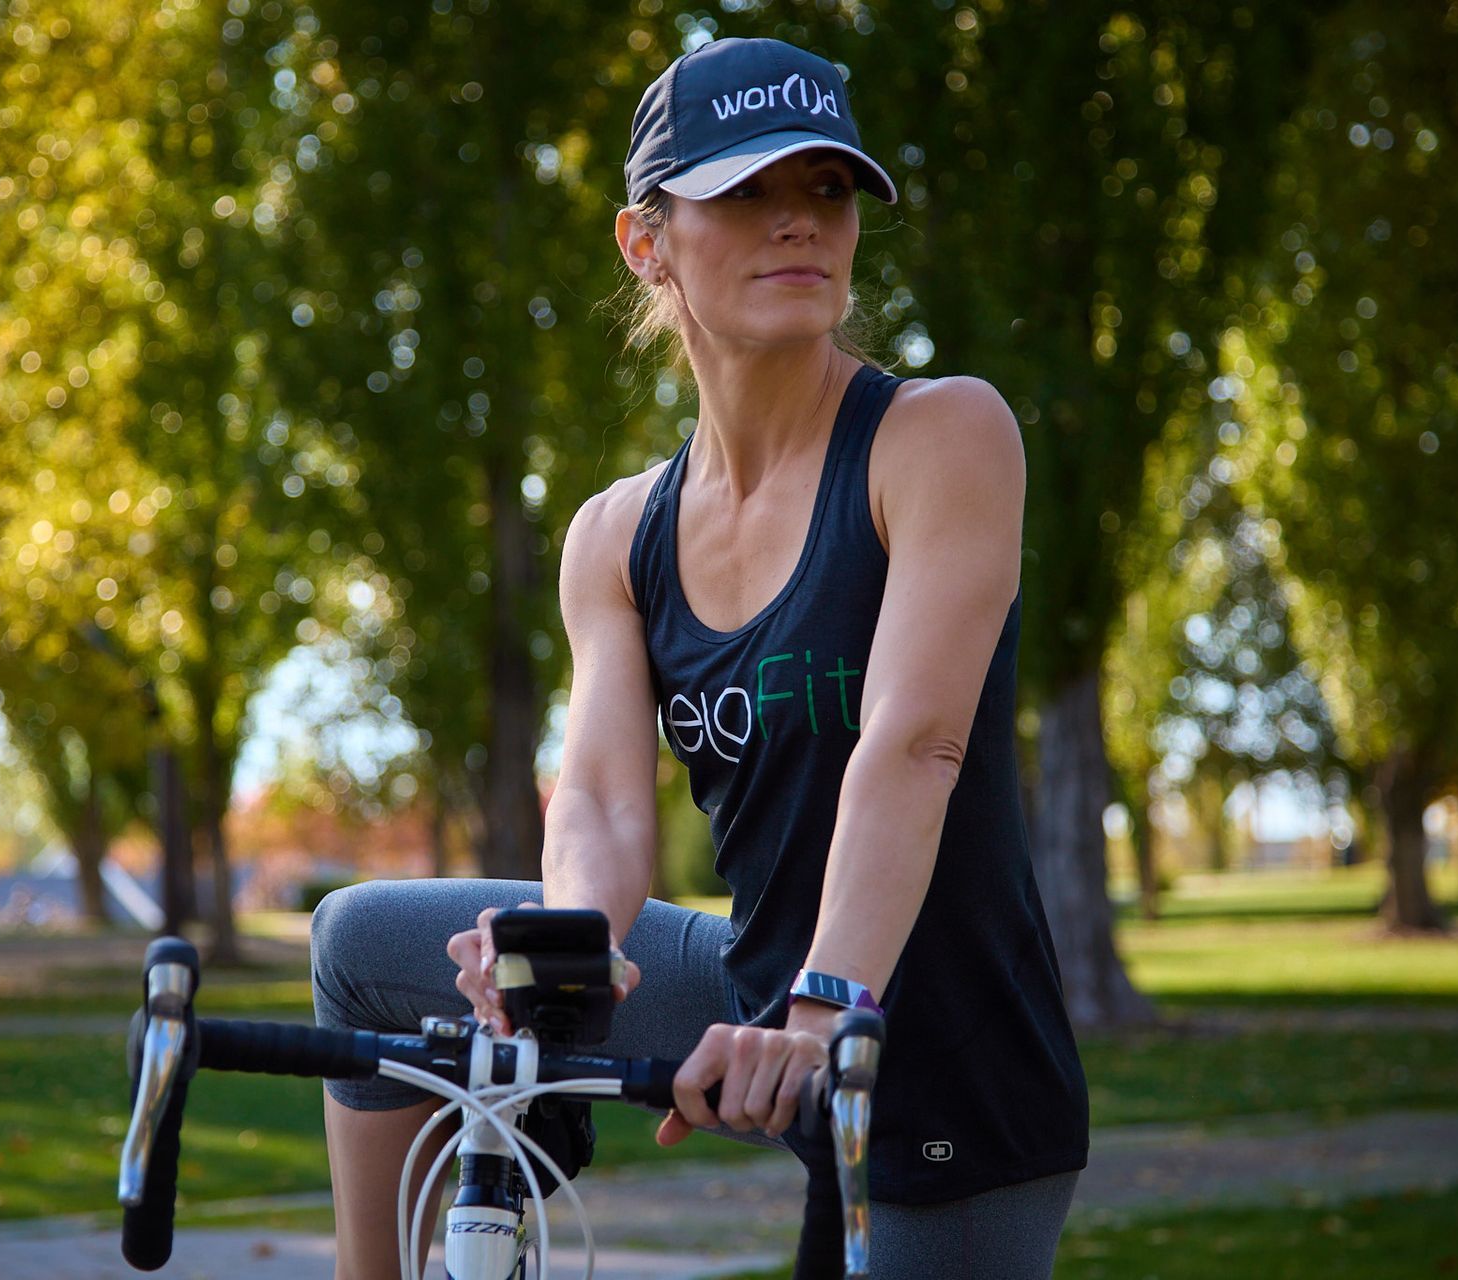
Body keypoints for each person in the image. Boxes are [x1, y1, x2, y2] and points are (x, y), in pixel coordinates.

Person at [310, 35, 1088, 1278]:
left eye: (827, 189)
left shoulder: (940, 437)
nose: (799, 223)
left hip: (942, 1065)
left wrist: (825, 1012)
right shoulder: (619, 534)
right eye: (744, 192)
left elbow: (915, 741)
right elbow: (610, 799)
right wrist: (553, 957)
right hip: (757, 992)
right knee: (362, 945)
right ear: (647, 241)